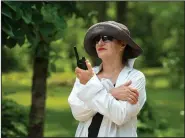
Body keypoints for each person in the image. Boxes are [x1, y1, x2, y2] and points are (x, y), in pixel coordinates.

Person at [68, 21, 146, 137]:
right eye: (97, 39)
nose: (100, 42)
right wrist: (112, 93)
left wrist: (91, 87)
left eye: (106, 38)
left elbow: (120, 116)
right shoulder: (88, 74)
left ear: (122, 44)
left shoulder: (135, 77)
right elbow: (78, 113)